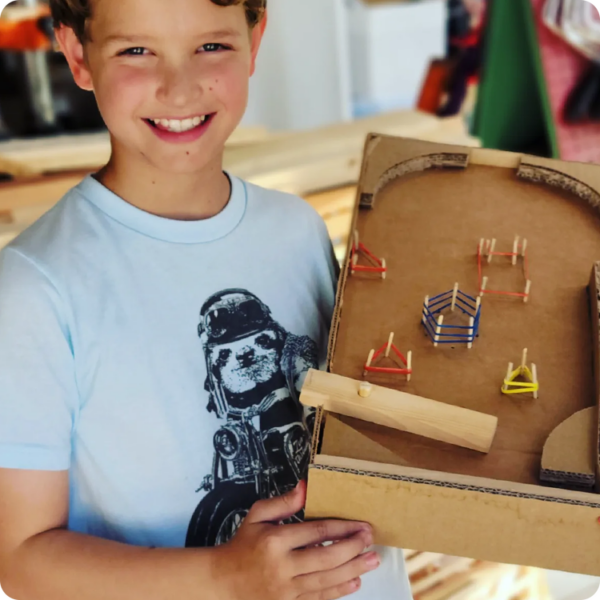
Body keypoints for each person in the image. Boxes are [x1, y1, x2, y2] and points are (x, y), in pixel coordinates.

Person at [0, 0, 412, 598]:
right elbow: (19, 562)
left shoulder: (297, 228)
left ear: (255, 39)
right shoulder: (33, 286)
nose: (180, 87)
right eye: (136, 51)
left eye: (211, 46)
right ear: (76, 55)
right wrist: (223, 576)